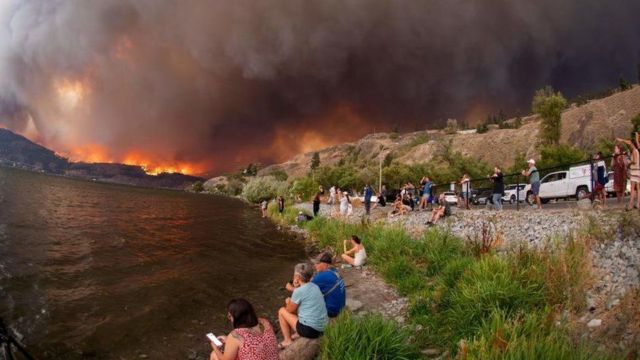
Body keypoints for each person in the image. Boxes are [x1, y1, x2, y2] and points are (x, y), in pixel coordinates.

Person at [209, 299, 279, 360]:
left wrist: (215, 347)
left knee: (214, 354)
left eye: (230, 316)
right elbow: (254, 341)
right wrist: (228, 340)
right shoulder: (264, 322)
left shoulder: (236, 334)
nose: (229, 318)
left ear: (236, 317)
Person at [278, 263, 328, 348]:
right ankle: (298, 333)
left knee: (282, 311)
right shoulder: (315, 286)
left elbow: (290, 310)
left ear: (297, 277)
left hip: (312, 330)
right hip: (323, 327)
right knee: (303, 307)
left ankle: (287, 341)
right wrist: (296, 287)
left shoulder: (299, 291)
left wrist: (288, 302)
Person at [286, 253, 346, 318]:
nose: (315, 265)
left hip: (332, 311)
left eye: (317, 263)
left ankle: (300, 321)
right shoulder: (333, 271)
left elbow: (304, 290)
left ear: (325, 264)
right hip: (340, 307)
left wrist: (290, 288)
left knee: (297, 303)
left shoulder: (323, 276)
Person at [617, 133, 640, 211]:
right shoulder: (636, 150)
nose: (629, 145)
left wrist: (629, 163)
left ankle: (631, 204)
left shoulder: (634, 151)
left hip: (634, 171)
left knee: (633, 188)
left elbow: (634, 161)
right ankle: (637, 204)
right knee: (637, 188)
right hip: (637, 171)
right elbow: (629, 142)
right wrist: (622, 140)